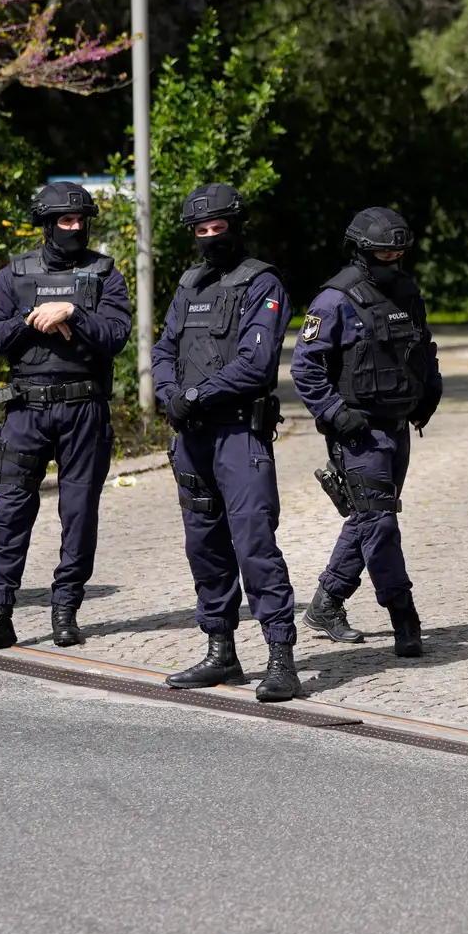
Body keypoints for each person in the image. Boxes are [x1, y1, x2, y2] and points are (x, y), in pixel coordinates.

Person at [0, 182, 134, 655]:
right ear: (46, 224)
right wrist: (30, 318)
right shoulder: (13, 275)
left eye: (81, 221)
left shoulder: (104, 273)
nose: (74, 228)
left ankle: (66, 610)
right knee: (11, 512)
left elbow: (117, 334)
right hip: (25, 410)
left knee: (78, 514)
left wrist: (73, 312)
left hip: (84, 410)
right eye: (65, 221)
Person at [149, 183, 302, 702]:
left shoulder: (263, 282)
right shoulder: (189, 283)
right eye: (201, 231)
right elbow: (164, 345)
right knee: (204, 546)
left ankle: (280, 655)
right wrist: (169, 393)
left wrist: (195, 394)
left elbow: (256, 364)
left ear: (236, 228)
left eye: (219, 229)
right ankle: (221, 652)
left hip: (239, 433)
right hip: (191, 436)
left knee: (254, 542)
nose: (211, 238)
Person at [291, 207, 443, 656]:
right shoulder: (334, 300)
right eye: (383, 253)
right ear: (360, 252)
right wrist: (337, 414)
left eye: (398, 253)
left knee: (369, 517)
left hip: (397, 428)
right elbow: (305, 367)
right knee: (380, 523)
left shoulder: (407, 293)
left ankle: (327, 602)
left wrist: (430, 392)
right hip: (357, 431)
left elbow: (423, 347)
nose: (392, 260)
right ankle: (404, 616)